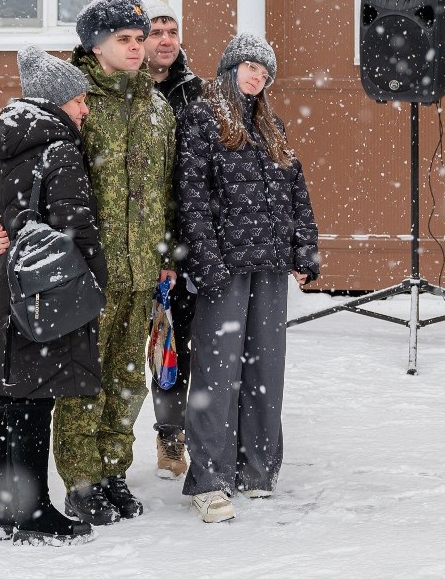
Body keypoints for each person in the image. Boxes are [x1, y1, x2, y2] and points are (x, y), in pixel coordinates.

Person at [177, 33, 320, 523]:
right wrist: (206, 262)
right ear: (229, 68)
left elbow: (297, 192)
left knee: (264, 368)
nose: (257, 77)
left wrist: (304, 250)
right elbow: (192, 197)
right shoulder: (202, 118)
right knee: (217, 373)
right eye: (250, 67)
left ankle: (257, 469)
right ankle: (209, 479)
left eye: (265, 72)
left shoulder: (272, 127)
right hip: (226, 267)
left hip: (270, 267)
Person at [49, 0, 178, 525]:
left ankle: (111, 472)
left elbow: (168, 191)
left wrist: (168, 254)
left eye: (139, 38)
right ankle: (81, 481)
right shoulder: (74, 100)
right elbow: (31, 169)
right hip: (88, 270)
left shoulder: (156, 107)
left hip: (141, 269)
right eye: (123, 39)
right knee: (84, 377)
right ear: (95, 46)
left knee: (128, 381)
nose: (136, 47)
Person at [0, 45, 104, 545]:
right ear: (56, 103)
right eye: (78, 101)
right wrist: (94, 282)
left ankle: (3, 509)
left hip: (10, 282)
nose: (84, 110)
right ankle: (33, 515)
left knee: (10, 397)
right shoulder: (59, 148)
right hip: (47, 286)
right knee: (35, 401)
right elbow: (76, 227)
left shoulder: (10, 144)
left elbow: (3, 213)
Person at [141, 0, 205, 479]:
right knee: (129, 352)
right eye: (155, 31)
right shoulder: (118, 91)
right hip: (130, 240)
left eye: (172, 31)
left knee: (174, 345)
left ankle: (172, 437)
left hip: (182, 242)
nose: (166, 40)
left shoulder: (196, 92)